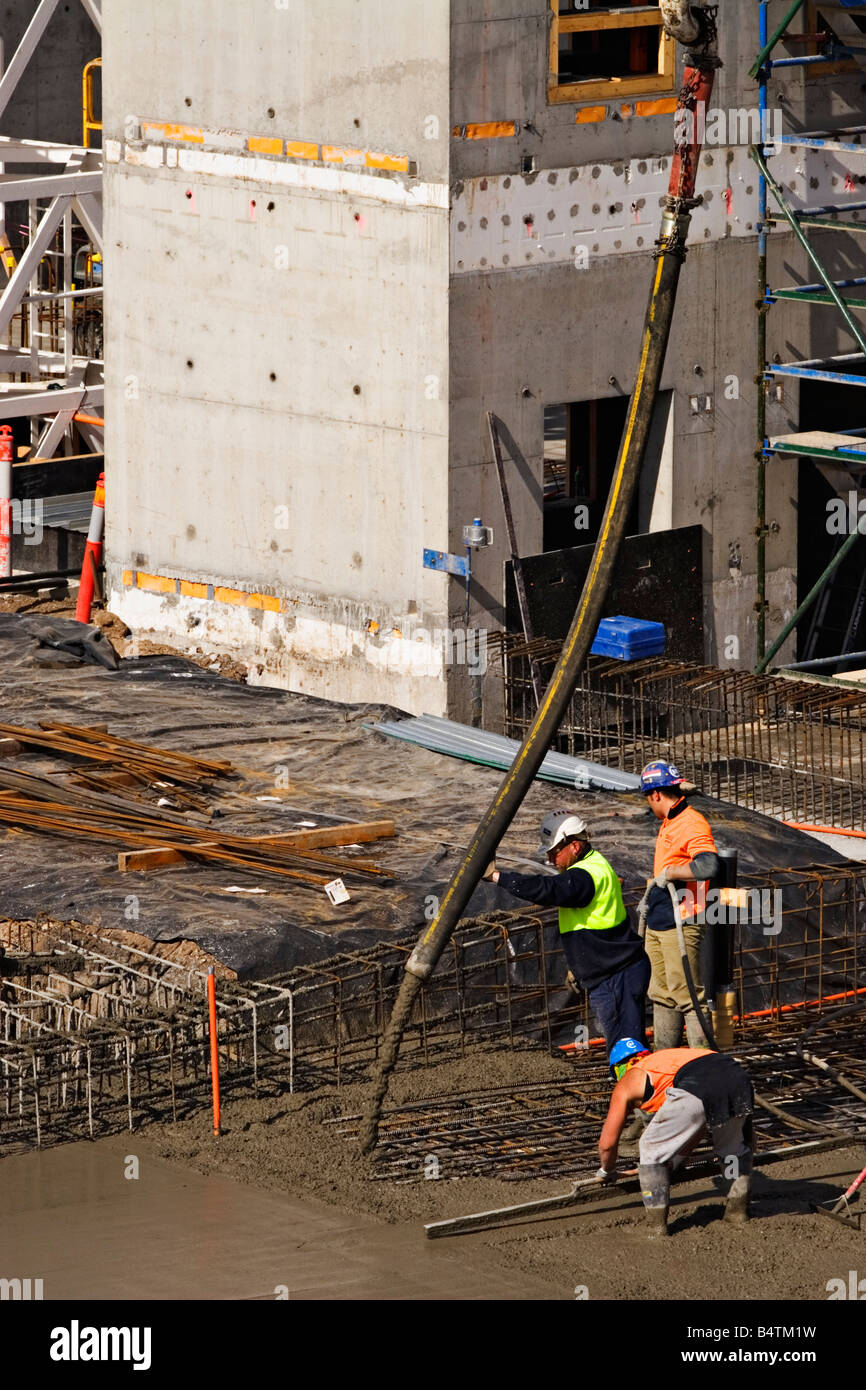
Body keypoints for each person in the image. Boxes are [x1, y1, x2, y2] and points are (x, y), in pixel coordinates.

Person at [485, 811, 650, 1056]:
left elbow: (547, 889)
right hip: (612, 969)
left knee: (626, 1049)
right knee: (623, 1045)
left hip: (616, 975)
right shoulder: (592, 865)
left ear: (574, 846)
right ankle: (630, 1085)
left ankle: (633, 1089)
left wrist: (498, 877)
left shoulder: (584, 875)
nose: (551, 859)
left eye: (554, 852)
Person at [597, 1037, 754, 1237]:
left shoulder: (629, 1079)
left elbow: (607, 1145)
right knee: (732, 1151)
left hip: (698, 1084)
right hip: (736, 1076)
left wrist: (607, 1170)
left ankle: (655, 1227)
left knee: (650, 1147)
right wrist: (677, 1160)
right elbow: (695, 1124)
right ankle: (737, 1213)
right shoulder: (666, 1061)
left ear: (620, 1067)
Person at [640, 760, 720, 1050]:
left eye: (648, 800)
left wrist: (671, 874)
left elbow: (708, 865)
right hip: (661, 919)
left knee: (688, 997)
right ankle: (666, 1059)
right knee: (661, 993)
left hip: (683, 920)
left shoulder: (690, 822)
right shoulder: (670, 821)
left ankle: (703, 1062)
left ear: (656, 795)